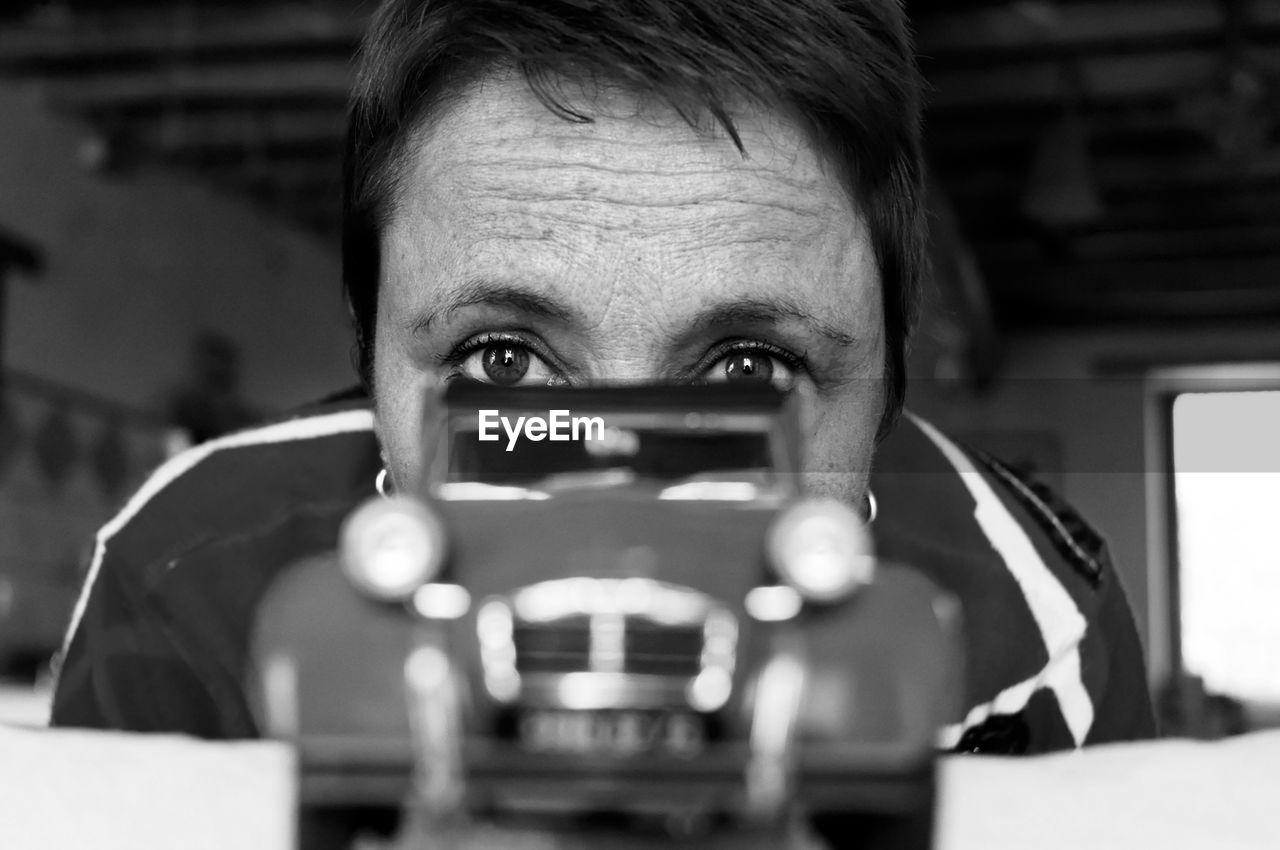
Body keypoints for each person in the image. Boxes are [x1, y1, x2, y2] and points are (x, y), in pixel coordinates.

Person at [50, 0, 1153, 754]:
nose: (624, 475)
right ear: (368, 354)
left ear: (894, 383)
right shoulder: (185, 581)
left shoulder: (1034, 623)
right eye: (503, 361)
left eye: (748, 365)